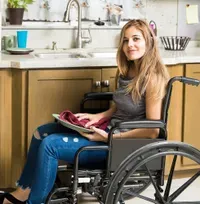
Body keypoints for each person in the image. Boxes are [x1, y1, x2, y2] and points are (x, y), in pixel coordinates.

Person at [0, 19, 169, 204]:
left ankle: (35, 201)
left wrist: (109, 138)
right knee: (41, 133)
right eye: (125, 40)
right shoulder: (127, 70)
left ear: (149, 41)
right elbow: (121, 106)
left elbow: (153, 130)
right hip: (109, 132)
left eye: (136, 39)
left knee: (50, 145)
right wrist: (98, 116)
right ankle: (22, 192)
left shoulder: (152, 79)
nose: (130, 45)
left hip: (121, 146)